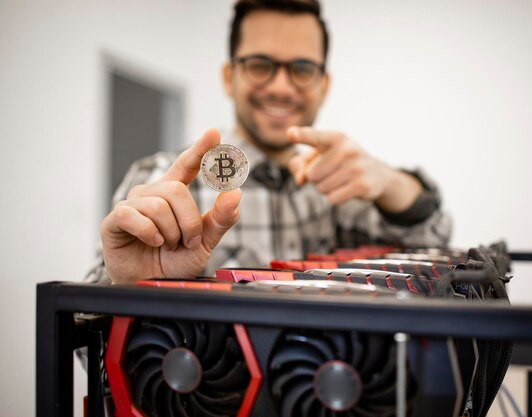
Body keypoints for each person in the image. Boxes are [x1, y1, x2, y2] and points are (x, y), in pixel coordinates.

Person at [88, 0, 451, 285]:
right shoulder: (160, 182)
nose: (280, 86)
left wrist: (392, 183)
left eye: (302, 68)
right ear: (230, 77)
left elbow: (437, 241)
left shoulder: (344, 194)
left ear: (323, 86)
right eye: (260, 64)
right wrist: (127, 290)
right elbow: (90, 356)